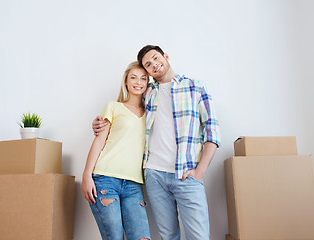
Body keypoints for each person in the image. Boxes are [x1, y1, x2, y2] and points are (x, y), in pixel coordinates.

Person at [93, 45, 221, 240]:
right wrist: (99, 124)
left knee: (199, 236)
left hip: (187, 174)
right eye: (148, 64)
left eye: (155, 58)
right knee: (168, 236)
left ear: (166, 56)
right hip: (154, 176)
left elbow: (212, 131)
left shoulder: (196, 86)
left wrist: (200, 171)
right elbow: (127, 114)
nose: (154, 64)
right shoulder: (148, 92)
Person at [82, 61, 151, 240]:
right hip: (105, 180)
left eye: (143, 78)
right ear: (126, 82)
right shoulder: (113, 107)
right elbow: (99, 141)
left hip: (134, 184)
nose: (138, 82)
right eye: (133, 77)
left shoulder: (151, 113)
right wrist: (86, 175)